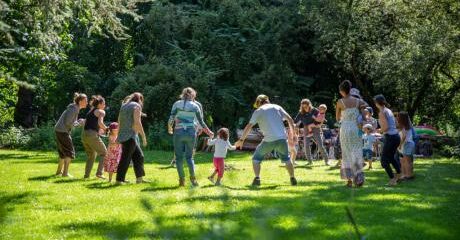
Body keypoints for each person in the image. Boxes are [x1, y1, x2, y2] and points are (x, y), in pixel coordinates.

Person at [235, 95, 297, 186]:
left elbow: (249, 126)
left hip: (268, 140)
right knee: (287, 159)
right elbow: (290, 120)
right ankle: (292, 177)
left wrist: (241, 140)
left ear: (259, 102)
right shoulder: (277, 107)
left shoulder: (259, 111)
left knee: (256, 158)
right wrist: (293, 135)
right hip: (282, 139)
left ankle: (257, 178)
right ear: (267, 100)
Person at [168, 87, 214, 187]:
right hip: (191, 133)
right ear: (192, 95)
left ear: (183, 94)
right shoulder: (195, 106)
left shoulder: (176, 104)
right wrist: (209, 132)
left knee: (179, 158)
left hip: (178, 132)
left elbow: (171, 117)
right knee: (190, 158)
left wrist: (169, 128)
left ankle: (181, 180)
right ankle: (193, 180)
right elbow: (201, 122)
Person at [336, 80, 368, 187]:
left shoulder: (340, 102)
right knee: (357, 152)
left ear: (341, 91)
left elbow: (337, 118)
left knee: (346, 153)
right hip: (355, 128)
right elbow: (364, 116)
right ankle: (359, 178)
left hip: (345, 129)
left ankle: (349, 180)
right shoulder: (359, 102)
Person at [116, 92, 148, 184]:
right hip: (130, 136)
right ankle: (119, 180)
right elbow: (137, 123)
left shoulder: (124, 106)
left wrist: (118, 135)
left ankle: (139, 179)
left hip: (124, 136)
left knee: (139, 156)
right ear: (140, 100)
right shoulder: (137, 106)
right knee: (125, 158)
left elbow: (119, 121)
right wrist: (143, 136)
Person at [54, 93, 88, 177]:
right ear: (80, 101)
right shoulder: (74, 109)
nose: (87, 103)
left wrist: (78, 122)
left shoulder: (74, 108)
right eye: (85, 101)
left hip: (60, 130)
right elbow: (68, 123)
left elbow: (70, 122)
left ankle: (59, 172)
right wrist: (79, 124)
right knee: (69, 152)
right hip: (62, 131)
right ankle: (65, 173)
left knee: (63, 152)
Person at [374, 94, 401, 186]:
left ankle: (392, 179)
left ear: (377, 103)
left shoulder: (382, 112)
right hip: (396, 137)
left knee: (384, 161)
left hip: (390, 137)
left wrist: (378, 130)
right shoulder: (389, 110)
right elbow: (396, 124)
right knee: (391, 158)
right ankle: (398, 174)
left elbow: (385, 127)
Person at [294, 99, 329, 165]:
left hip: (315, 128)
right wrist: (295, 125)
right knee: (306, 146)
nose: (305, 108)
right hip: (306, 129)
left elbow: (322, 117)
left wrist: (320, 125)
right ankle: (310, 162)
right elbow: (296, 121)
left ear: (309, 105)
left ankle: (326, 161)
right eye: (303, 107)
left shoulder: (314, 110)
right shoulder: (301, 112)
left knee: (320, 145)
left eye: (306, 106)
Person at [82, 95, 108, 179]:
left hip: (84, 135)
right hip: (91, 135)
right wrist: (107, 129)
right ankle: (99, 173)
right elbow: (100, 123)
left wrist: (100, 130)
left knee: (92, 155)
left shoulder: (91, 111)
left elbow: (93, 124)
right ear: (100, 104)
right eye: (104, 104)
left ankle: (86, 176)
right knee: (104, 153)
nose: (105, 106)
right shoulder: (101, 112)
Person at [397, 111, 415, 180]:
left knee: (407, 161)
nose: (397, 117)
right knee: (406, 161)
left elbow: (404, 136)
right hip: (410, 143)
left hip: (407, 144)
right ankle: (407, 175)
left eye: (398, 116)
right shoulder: (408, 125)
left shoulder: (403, 125)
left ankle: (408, 176)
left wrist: (400, 145)